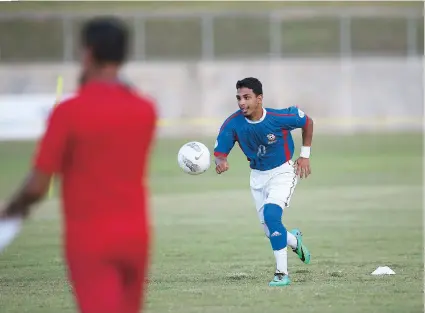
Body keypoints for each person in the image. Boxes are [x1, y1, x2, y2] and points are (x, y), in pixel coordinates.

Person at [0, 17, 157, 313]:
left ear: (87, 53)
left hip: (91, 238)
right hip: (137, 234)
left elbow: (37, 185)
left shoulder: (69, 112)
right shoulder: (146, 110)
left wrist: (10, 212)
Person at [214, 77, 313, 287]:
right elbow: (220, 152)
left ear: (259, 99)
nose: (242, 102)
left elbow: (307, 122)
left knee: (271, 216)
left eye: (247, 97)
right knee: (270, 231)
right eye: (239, 98)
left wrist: (305, 155)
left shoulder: (279, 117)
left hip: (283, 172)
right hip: (257, 177)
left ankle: (281, 274)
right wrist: (220, 161)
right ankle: (294, 241)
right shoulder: (233, 124)